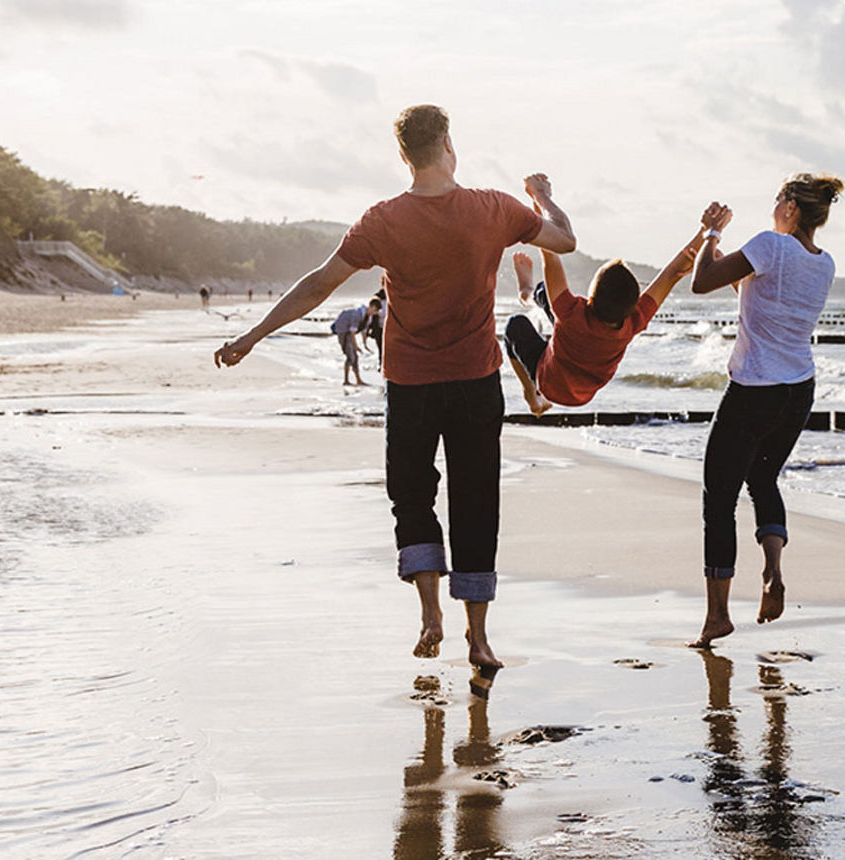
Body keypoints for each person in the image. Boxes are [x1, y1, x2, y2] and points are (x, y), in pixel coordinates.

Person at [213, 104, 576, 695]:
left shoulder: (382, 220)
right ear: (449, 145)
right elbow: (565, 238)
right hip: (475, 380)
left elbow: (318, 284)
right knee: (476, 501)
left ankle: (430, 614)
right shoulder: (493, 208)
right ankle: (478, 638)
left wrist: (254, 335)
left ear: (404, 156)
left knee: (411, 494)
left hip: (410, 383)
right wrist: (542, 198)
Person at [686, 173, 845, 649]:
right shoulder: (824, 263)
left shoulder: (770, 246)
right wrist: (718, 248)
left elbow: (701, 283)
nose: (774, 206)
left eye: (779, 199)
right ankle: (773, 570)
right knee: (762, 478)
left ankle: (717, 616)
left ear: (791, 207)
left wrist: (711, 233)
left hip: (755, 390)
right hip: (798, 390)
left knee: (719, 499)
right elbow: (750, 291)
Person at [503, 211, 714, 415]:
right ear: (633, 306)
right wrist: (707, 232)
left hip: (548, 382)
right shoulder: (634, 321)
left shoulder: (570, 312)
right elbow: (672, 273)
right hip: (584, 393)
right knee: (548, 296)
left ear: (590, 300)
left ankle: (531, 394)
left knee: (515, 324)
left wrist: (539, 202)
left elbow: (549, 255)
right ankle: (530, 295)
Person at [331, 299, 381, 386]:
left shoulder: (368, 317)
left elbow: (363, 331)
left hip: (349, 332)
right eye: (375, 310)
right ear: (371, 306)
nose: (375, 313)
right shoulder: (357, 315)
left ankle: (358, 380)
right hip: (343, 331)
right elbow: (352, 333)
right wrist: (356, 346)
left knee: (355, 357)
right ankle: (346, 381)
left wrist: (365, 344)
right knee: (351, 356)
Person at [364, 288, 386, 369]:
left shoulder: (379, 301)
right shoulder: (380, 302)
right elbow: (372, 316)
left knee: (381, 347)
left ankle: (382, 364)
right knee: (382, 347)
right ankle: (382, 364)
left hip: (380, 328)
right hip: (380, 328)